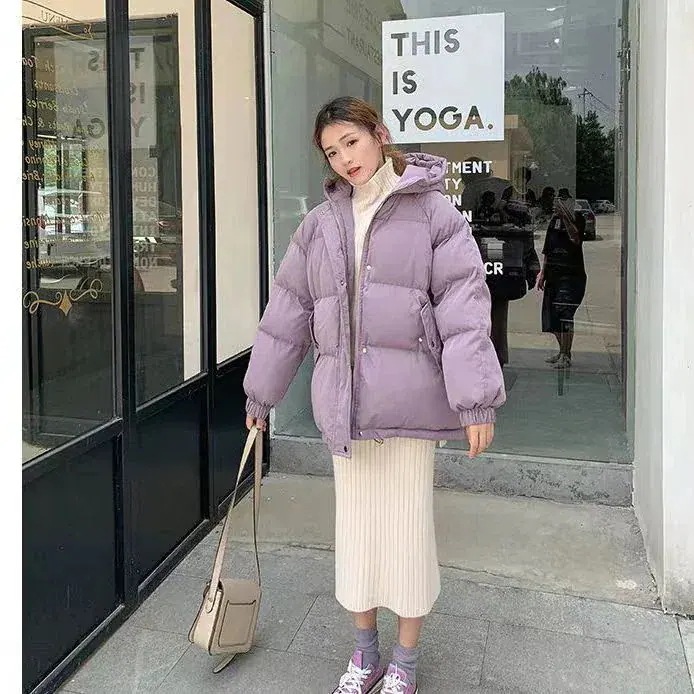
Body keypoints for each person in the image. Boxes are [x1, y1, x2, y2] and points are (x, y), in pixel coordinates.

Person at [243, 96, 506, 694]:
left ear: (380, 135)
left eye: (351, 142)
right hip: (345, 411)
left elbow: (464, 309)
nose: (344, 159)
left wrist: (475, 400)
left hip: (409, 407)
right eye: (331, 152)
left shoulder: (434, 213)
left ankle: (405, 660)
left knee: (407, 533)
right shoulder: (319, 225)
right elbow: (287, 313)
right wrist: (261, 394)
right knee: (357, 536)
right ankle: (364, 654)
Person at [536, 187, 587, 368]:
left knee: (565, 313)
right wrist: (542, 273)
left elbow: (575, 239)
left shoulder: (577, 218)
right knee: (552, 316)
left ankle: (566, 354)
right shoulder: (553, 221)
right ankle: (562, 351)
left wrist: (565, 216)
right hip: (553, 274)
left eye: (561, 201)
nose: (556, 204)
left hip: (571, 274)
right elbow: (547, 249)